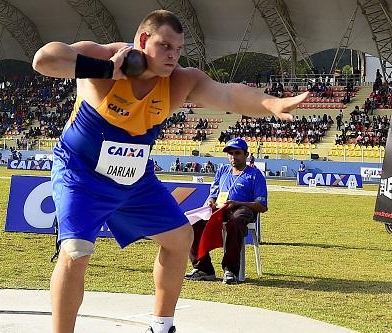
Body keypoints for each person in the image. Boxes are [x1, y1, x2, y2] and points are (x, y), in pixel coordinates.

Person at [32, 9, 307, 333]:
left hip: (134, 178)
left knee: (179, 238)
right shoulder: (107, 58)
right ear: (143, 40)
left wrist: (271, 104)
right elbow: (45, 60)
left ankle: (162, 326)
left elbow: (227, 93)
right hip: (81, 172)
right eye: (165, 46)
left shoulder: (180, 80)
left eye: (178, 49)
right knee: (76, 251)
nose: (173, 56)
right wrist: (107, 69)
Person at [185, 138, 268, 284]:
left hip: (242, 209)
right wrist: (210, 201)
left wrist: (237, 203)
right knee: (193, 222)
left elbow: (262, 206)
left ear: (246, 154)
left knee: (235, 222)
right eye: (230, 153)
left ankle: (230, 270)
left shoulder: (255, 175)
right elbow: (214, 193)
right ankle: (203, 268)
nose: (233, 156)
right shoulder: (223, 170)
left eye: (237, 153)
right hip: (220, 209)